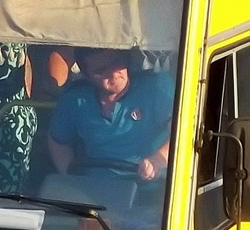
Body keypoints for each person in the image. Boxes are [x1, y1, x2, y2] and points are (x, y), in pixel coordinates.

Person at [48, 48, 173, 181]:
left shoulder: (155, 86)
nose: (113, 74)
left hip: (155, 192)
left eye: (116, 63)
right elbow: (57, 141)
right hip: (95, 189)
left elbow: (183, 134)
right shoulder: (75, 99)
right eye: (101, 70)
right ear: (87, 75)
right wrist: (70, 177)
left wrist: (158, 161)